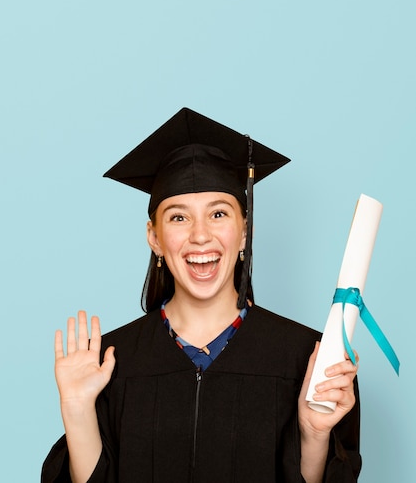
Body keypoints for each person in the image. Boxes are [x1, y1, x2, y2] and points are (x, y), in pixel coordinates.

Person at [41, 108, 361, 483]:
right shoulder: (108, 364)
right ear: (155, 238)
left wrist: (314, 434)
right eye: (178, 217)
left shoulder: (309, 359)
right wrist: (78, 409)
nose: (200, 235)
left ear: (244, 231)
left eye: (219, 214)